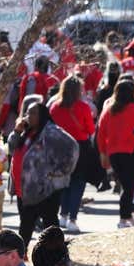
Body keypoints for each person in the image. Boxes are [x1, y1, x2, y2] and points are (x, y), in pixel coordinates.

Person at [7, 99, 78, 247]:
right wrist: (16, 131)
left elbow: (72, 147)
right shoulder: (26, 132)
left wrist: (59, 172)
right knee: (26, 224)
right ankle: (21, 255)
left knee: (49, 224)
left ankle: (56, 253)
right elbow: (12, 148)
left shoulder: (51, 132)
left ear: (42, 115)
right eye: (27, 112)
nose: (28, 116)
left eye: (33, 113)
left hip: (45, 190)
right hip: (24, 190)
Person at [97, 80, 134, 228]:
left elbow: (101, 132)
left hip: (114, 153)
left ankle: (127, 215)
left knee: (125, 185)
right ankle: (124, 217)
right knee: (129, 186)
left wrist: (103, 152)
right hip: (133, 151)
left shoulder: (108, 109)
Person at [50, 77, 97, 234]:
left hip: (60, 148)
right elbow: (90, 130)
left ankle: (62, 214)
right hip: (80, 147)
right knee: (78, 183)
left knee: (64, 182)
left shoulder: (54, 107)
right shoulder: (83, 107)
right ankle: (72, 218)